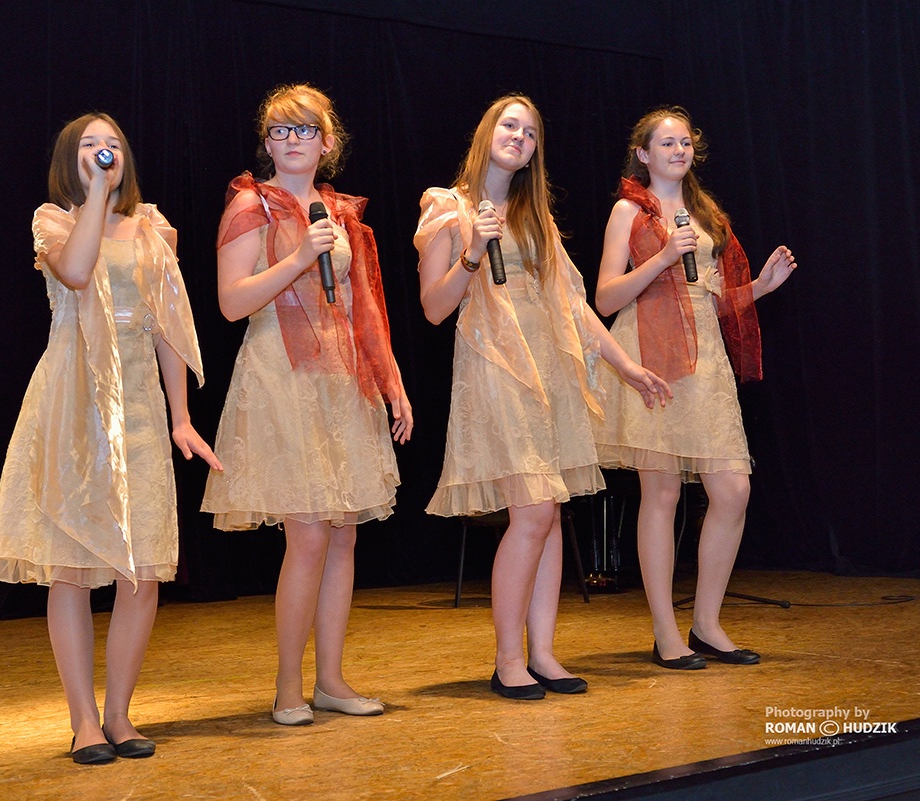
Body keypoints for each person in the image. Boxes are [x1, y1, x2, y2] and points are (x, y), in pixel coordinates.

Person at [0, 113, 221, 763]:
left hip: (139, 408)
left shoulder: (153, 228)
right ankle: (83, 720)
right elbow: (78, 272)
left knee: (141, 571)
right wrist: (94, 197)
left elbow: (168, 325)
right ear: (73, 158)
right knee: (72, 569)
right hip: (74, 402)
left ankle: (119, 714)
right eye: (90, 144)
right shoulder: (54, 220)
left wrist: (181, 417)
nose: (104, 151)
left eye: (112, 144)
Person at [416, 95, 671, 700]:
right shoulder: (447, 207)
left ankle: (544, 654)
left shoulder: (536, 218)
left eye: (530, 133)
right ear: (487, 134)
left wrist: (626, 364)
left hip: (549, 371)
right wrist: (471, 254)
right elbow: (433, 309)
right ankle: (508, 659)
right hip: (497, 369)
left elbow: (574, 305)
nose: (520, 137)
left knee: (550, 511)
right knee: (532, 511)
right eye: (510, 126)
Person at [201, 84, 413, 726]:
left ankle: (331, 680)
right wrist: (298, 258)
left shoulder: (339, 211)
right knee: (310, 534)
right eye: (280, 130)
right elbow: (231, 303)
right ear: (266, 144)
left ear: (328, 142)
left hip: (342, 379)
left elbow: (364, 305)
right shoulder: (251, 204)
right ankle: (287, 686)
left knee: (343, 534)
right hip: (281, 376)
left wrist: (392, 381)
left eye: (305, 129)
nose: (292, 140)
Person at [594, 106, 796, 670]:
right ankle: (666, 634)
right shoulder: (628, 211)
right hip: (651, 356)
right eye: (667, 143)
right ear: (643, 154)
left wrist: (759, 287)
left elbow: (710, 300)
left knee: (733, 490)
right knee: (661, 495)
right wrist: (662, 257)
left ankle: (706, 623)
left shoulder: (705, 214)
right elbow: (605, 299)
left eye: (685, 142)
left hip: (706, 362)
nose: (678, 151)